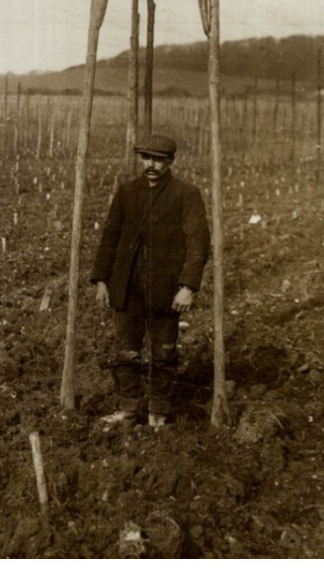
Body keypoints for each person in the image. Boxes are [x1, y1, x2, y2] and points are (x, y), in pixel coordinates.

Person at [90, 133, 211, 429]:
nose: (151, 165)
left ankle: (159, 411)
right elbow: (110, 237)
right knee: (125, 352)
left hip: (166, 290)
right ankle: (128, 410)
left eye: (158, 159)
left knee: (164, 352)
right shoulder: (127, 192)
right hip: (127, 287)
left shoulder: (186, 194)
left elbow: (198, 243)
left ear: (170, 161)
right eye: (146, 158)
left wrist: (187, 287)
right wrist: (102, 280)